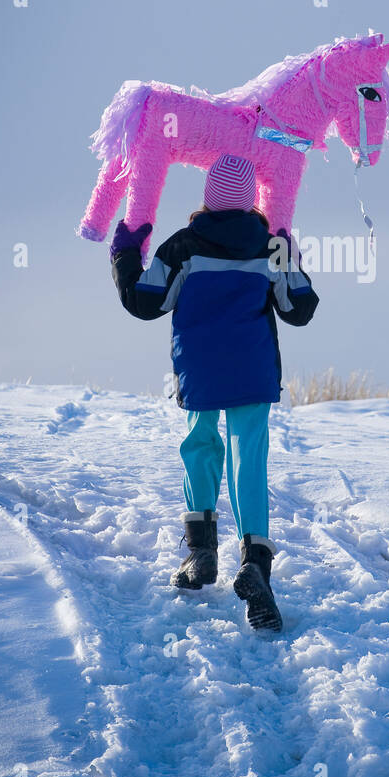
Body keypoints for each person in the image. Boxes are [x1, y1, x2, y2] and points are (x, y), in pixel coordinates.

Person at [109, 152, 319, 632]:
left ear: (207, 198)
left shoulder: (183, 246)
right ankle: (254, 563)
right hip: (251, 369)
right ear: (251, 202)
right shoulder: (269, 247)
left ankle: (201, 552)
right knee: (250, 457)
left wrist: (124, 254)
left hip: (200, 369)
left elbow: (145, 302)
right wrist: (292, 256)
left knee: (201, 445)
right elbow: (299, 310)